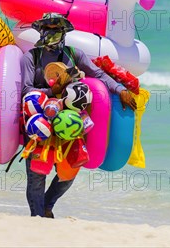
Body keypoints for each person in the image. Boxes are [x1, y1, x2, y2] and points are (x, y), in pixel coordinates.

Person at [20, 12, 137, 218]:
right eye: (49, 29)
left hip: (71, 122)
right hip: (40, 121)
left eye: (58, 30)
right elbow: (26, 90)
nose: (54, 34)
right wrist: (54, 92)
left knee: (69, 171)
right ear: (41, 31)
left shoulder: (74, 54)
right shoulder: (31, 58)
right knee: (37, 173)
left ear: (65, 32)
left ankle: (48, 205)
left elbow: (98, 75)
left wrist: (121, 90)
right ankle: (37, 217)